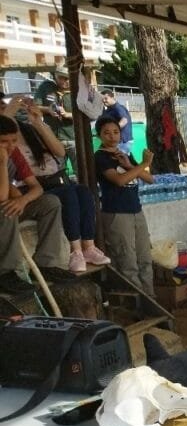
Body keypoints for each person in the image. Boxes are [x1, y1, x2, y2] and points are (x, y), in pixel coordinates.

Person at [5, 95, 108, 272]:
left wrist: (37, 122)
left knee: (82, 190)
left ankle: (88, 247)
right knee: (67, 194)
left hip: (52, 182)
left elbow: (60, 152)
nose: (11, 144)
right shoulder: (7, 144)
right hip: (28, 187)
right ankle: (75, 251)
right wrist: (7, 114)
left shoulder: (30, 130)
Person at [0, 115, 67, 291]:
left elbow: (36, 187)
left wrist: (23, 199)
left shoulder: (14, 153)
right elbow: (2, 196)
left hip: (9, 200)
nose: (11, 145)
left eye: (14, 140)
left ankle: (46, 264)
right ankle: (5, 273)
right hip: (2, 208)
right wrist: (2, 163)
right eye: (4, 141)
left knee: (51, 202)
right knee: (6, 211)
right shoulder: (4, 157)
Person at [95, 117, 155, 296]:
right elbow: (119, 180)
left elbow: (149, 179)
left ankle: (151, 299)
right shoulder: (100, 157)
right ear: (99, 135)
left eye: (115, 132)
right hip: (117, 213)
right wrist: (143, 164)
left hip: (136, 210)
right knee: (128, 262)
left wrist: (130, 165)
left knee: (145, 258)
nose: (112, 136)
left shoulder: (124, 154)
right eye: (106, 133)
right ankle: (140, 304)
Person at [34, 66, 75, 160]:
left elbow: (85, 115)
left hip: (73, 138)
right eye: (61, 77)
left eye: (68, 78)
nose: (65, 81)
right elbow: (35, 106)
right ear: (55, 76)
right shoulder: (46, 87)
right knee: (57, 171)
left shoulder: (78, 92)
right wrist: (48, 109)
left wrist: (67, 114)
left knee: (80, 170)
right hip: (52, 138)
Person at [99, 90, 133, 154]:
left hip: (123, 142)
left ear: (112, 97)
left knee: (121, 161)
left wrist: (112, 131)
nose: (104, 100)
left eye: (106, 98)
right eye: (102, 99)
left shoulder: (118, 108)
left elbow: (124, 120)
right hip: (116, 141)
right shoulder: (108, 109)